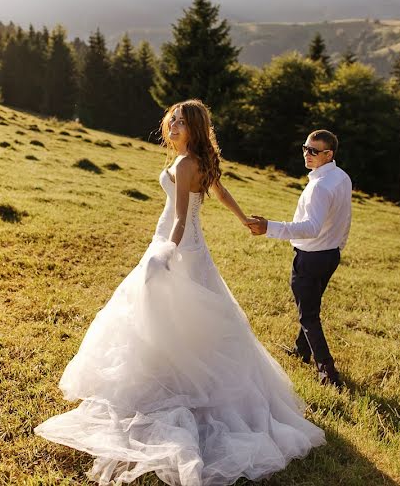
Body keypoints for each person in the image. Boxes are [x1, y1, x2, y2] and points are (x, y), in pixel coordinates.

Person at [35, 100, 325, 486]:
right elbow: (219, 191)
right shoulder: (201, 160)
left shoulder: (188, 162)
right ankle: (185, 371)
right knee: (196, 315)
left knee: (167, 311)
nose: (172, 127)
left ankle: (173, 378)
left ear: (195, 128)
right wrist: (243, 220)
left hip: (179, 245)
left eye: (180, 123)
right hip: (194, 247)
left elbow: (181, 218)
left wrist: (166, 253)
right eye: (171, 120)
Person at [248, 129, 352, 390]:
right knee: (312, 306)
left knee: (309, 316)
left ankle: (327, 372)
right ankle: (300, 350)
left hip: (311, 257)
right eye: (305, 148)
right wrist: (338, 247)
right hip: (330, 255)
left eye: (314, 151)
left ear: (329, 154)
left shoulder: (320, 186)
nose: (307, 154)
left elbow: (311, 227)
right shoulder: (341, 177)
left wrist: (269, 227)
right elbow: (344, 219)